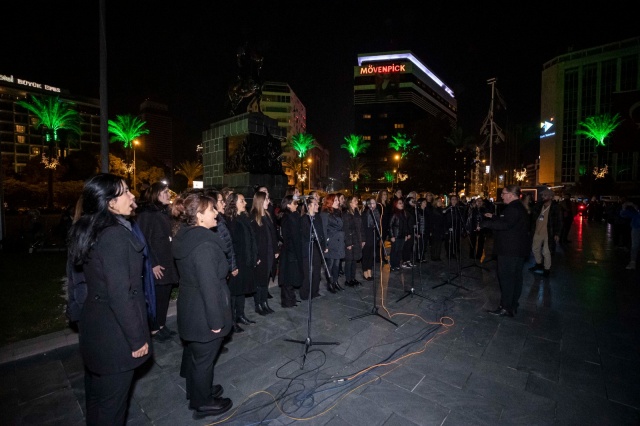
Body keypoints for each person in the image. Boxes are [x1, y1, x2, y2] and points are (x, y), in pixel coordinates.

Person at [67, 173, 151, 425]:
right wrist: (137, 339)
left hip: (97, 326)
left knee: (98, 398)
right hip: (115, 335)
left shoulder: (92, 229)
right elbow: (120, 294)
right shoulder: (113, 236)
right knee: (112, 408)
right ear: (109, 203)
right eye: (125, 191)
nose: (132, 195)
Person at [171, 193, 233, 419]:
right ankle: (203, 402)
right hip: (204, 312)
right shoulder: (204, 245)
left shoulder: (186, 237)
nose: (216, 213)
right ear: (199, 216)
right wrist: (216, 322)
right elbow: (209, 288)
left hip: (191, 307)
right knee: (204, 359)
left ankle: (198, 391)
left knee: (197, 357)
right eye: (212, 210)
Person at [135, 182, 180, 341]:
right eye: (165, 192)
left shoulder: (162, 212)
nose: (169, 195)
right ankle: (154, 328)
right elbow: (142, 241)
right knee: (156, 297)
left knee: (164, 296)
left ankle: (161, 324)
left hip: (167, 262)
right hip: (157, 264)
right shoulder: (147, 215)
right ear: (156, 195)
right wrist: (152, 263)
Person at [481, 185, 531, 317]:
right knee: (515, 278)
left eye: (503, 193)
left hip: (509, 251)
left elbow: (505, 225)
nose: (501, 196)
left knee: (507, 279)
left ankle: (506, 307)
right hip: (517, 250)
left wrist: (485, 224)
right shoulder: (518, 207)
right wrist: (493, 216)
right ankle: (512, 304)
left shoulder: (513, 208)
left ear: (511, 194)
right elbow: (508, 221)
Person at [224, 193, 257, 332]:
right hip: (236, 262)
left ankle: (240, 315)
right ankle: (231, 321)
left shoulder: (244, 218)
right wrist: (233, 265)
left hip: (245, 260)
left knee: (241, 291)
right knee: (233, 292)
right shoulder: (230, 221)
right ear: (234, 203)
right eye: (242, 201)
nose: (245, 203)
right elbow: (230, 244)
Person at [250, 191, 279, 314]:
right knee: (259, 281)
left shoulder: (267, 215)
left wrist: (276, 250)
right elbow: (252, 240)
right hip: (260, 255)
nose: (269, 202)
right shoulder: (253, 217)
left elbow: (272, 235)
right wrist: (255, 256)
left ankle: (264, 302)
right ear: (261, 201)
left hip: (269, 253)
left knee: (265, 280)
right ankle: (259, 305)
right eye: (266, 199)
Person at [529, 189, 563, 276]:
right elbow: (532, 214)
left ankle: (547, 269)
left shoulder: (555, 207)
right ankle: (539, 264)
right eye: (542, 195)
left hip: (549, 232)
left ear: (551, 197)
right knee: (535, 248)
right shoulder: (539, 205)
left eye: (545, 195)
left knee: (546, 251)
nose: (543, 197)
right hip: (537, 231)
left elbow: (559, 221)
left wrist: (557, 233)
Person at [277, 195, 303, 307]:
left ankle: (291, 298)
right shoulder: (287, 217)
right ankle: (287, 300)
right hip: (289, 251)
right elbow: (289, 236)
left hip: (294, 249)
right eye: (294, 203)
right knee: (288, 277)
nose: (296, 205)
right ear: (288, 205)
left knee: (292, 275)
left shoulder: (293, 215)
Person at [299, 197, 326, 300]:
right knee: (307, 271)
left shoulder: (318, 217)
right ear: (309, 206)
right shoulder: (304, 219)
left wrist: (323, 245)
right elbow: (305, 234)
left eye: (317, 204)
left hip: (317, 246)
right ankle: (305, 292)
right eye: (315, 204)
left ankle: (315, 291)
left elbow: (321, 232)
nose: (317, 206)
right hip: (308, 247)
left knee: (317, 269)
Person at [319, 193, 345, 293]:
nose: (338, 202)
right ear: (330, 202)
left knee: (337, 264)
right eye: (336, 200)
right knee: (330, 264)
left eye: (338, 200)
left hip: (338, 241)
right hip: (331, 242)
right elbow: (324, 230)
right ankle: (330, 283)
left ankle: (335, 281)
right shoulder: (325, 213)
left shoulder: (337, 212)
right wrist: (325, 245)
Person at [343, 195, 364, 286]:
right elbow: (346, 229)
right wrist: (348, 243)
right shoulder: (346, 214)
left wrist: (362, 239)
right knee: (349, 260)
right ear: (350, 203)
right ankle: (348, 280)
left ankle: (353, 278)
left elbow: (360, 227)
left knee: (354, 260)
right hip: (350, 240)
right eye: (355, 200)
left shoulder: (356, 212)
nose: (357, 202)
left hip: (356, 239)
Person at [361, 197, 382, 281]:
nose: (374, 205)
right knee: (366, 255)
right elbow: (362, 227)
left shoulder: (376, 213)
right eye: (372, 203)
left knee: (371, 255)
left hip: (373, 236)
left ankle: (370, 271)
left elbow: (378, 226)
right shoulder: (365, 214)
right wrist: (363, 239)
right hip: (366, 236)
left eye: (374, 203)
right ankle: (365, 272)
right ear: (368, 204)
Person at [388, 198, 409, 271]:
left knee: (400, 251)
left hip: (402, 236)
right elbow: (390, 225)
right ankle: (392, 265)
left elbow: (405, 225)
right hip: (396, 236)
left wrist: (406, 234)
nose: (402, 204)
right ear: (396, 204)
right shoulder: (394, 214)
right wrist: (392, 236)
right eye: (400, 203)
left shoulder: (404, 213)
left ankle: (397, 264)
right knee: (394, 251)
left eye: (402, 203)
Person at [620, 201, 640, 270]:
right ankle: (632, 262)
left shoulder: (636, 211)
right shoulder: (636, 212)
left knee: (635, 245)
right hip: (636, 228)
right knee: (635, 245)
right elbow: (623, 214)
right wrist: (624, 207)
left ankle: (632, 263)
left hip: (636, 227)